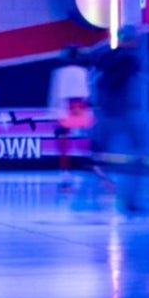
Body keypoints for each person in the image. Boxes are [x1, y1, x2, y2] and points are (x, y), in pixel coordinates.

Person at [91, 27, 147, 213]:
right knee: (139, 153)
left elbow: (96, 81)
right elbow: (135, 78)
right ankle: (130, 200)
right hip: (122, 113)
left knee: (101, 152)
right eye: (135, 39)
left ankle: (101, 177)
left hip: (105, 113)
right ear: (130, 40)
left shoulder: (104, 56)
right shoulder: (130, 59)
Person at [47, 46, 94, 190]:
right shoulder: (82, 72)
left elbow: (55, 94)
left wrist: (53, 112)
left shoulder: (61, 73)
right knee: (83, 140)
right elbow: (88, 93)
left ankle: (66, 172)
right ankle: (85, 167)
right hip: (77, 108)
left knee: (64, 143)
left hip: (68, 109)